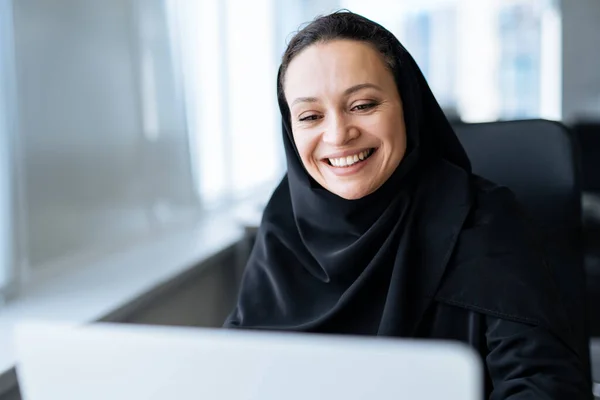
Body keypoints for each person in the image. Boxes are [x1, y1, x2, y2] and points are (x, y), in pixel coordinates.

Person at [224, 11, 592, 399]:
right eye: (311, 115)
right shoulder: (285, 223)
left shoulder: (482, 217)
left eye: (363, 105)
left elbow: (543, 384)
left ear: (407, 104)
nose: (338, 134)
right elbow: (236, 372)